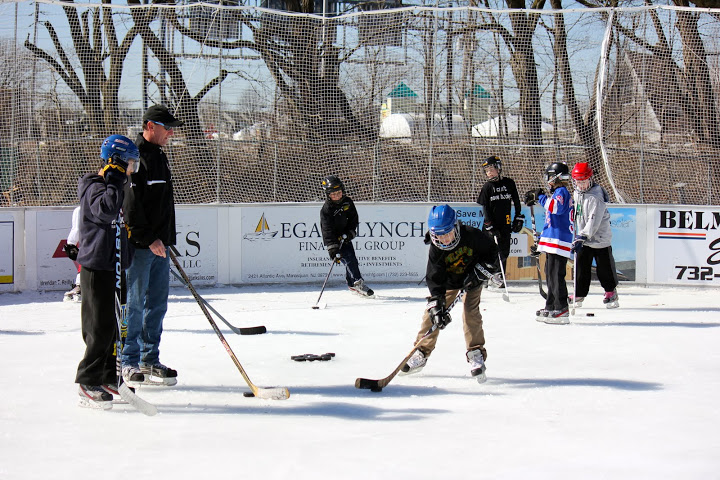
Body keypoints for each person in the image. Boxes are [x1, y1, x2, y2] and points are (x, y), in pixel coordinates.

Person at [401, 205, 501, 383]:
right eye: (439, 236)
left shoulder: (472, 235)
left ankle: (475, 352)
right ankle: (421, 352)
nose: (444, 239)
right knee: (430, 316)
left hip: (472, 280)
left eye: (447, 233)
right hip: (450, 283)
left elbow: (493, 253)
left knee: (470, 312)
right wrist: (437, 308)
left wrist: (481, 272)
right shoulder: (436, 249)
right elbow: (435, 280)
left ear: (456, 227)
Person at [121, 104, 183, 386]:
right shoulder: (134, 156)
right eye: (166, 128)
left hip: (161, 245)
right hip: (141, 246)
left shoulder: (160, 155)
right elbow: (131, 207)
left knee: (157, 304)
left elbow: (162, 205)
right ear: (150, 126)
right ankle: (128, 361)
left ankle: (149, 358)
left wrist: (166, 240)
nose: (171, 133)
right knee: (135, 304)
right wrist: (150, 239)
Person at [75, 135, 138, 409]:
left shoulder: (117, 186)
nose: (132, 169)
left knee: (114, 327)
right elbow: (106, 211)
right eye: (130, 163)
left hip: (113, 266)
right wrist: (114, 181)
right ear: (117, 162)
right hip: (97, 266)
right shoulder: (94, 186)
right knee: (98, 327)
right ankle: (87, 380)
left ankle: (108, 375)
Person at [524, 162, 574, 324]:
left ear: (556, 177)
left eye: (550, 177)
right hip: (554, 240)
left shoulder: (562, 192)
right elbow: (550, 221)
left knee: (556, 275)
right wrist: (541, 244)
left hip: (560, 240)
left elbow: (555, 208)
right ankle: (551, 305)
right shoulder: (558, 192)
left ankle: (562, 307)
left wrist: (540, 196)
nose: (548, 180)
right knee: (550, 273)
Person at [570, 162, 619, 309]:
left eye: (584, 182)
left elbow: (594, 220)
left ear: (590, 179)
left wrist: (583, 235)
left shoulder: (595, 196)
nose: (581, 185)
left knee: (604, 268)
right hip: (584, 238)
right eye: (578, 182)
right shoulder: (577, 193)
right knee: (581, 267)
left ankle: (610, 292)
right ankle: (579, 294)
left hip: (599, 239)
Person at [319, 175, 374, 297]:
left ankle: (352, 284)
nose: (337, 196)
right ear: (328, 195)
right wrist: (332, 248)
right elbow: (326, 230)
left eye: (338, 192)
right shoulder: (326, 210)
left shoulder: (347, 202)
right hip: (335, 240)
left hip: (345, 237)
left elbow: (353, 219)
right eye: (333, 194)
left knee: (352, 260)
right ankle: (358, 282)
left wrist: (350, 232)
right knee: (349, 259)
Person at [476, 155, 524, 273]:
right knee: (490, 253)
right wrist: (489, 225)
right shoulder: (487, 187)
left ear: (498, 168)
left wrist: (518, 217)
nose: (489, 173)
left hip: (505, 224)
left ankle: (500, 277)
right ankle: (489, 277)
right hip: (492, 226)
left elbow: (516, 201)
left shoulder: (509, 183)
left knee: (504, 252)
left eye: (491, 169)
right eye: (487, 171)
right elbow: (485, 207)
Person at [63, 206, 82, 303]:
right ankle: (80, 284)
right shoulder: (80, 210)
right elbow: (76, 229)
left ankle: (80, 285)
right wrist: (71, 244)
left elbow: (76, 229)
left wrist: (71, 243)